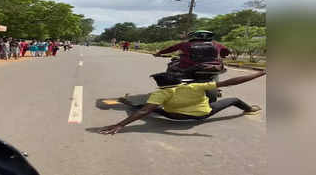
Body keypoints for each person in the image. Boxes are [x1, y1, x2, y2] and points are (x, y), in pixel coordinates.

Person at [99, 70, 266, 135]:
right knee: (234, 99)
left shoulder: (160, 93)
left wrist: (120, 125)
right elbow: (234, 81)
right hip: (202, 115)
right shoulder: (196, 86)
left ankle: (129, 102)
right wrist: (261, 73)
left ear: (160, 84)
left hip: (175, 116)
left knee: (147, 107)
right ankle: (250, 109)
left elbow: (144, 112)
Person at [154, 30, 230, 71]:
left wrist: (159, 53)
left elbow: (170, 49)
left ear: (193, 36)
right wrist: (223, 56)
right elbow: (226, 51)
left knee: (171, 66)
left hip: (190, 66)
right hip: (214, 66)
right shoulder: (216, 44)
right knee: (219, 69)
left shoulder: (184, 44)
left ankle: (169, 85)